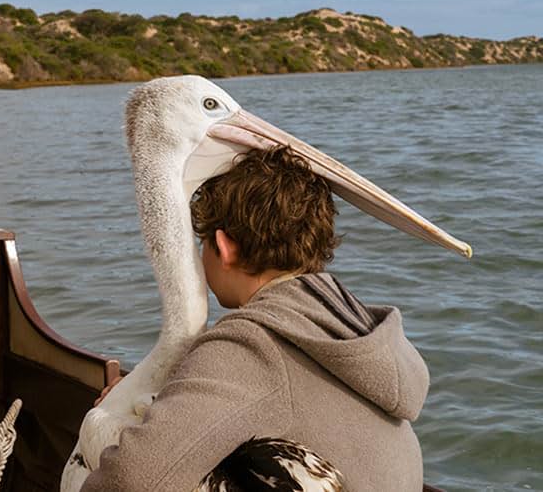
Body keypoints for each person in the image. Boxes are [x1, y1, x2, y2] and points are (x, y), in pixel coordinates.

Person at [81, 146, 430, 491]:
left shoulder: (250, 346)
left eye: (203, 244)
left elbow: (129, 480)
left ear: (224, 246)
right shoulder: (355, 327)